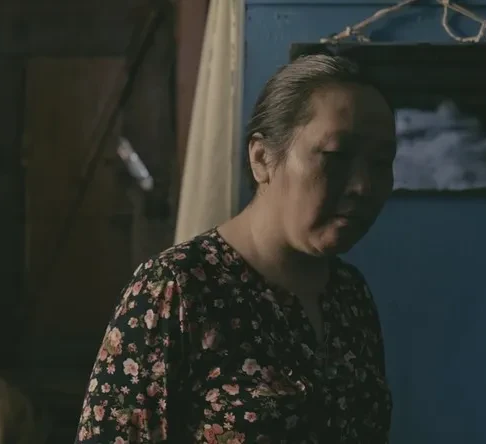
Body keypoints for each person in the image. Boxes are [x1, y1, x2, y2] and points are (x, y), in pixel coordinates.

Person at [75, 54, 397, 443]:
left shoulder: (349, 294)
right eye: (336, 156)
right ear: (262, 158)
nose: (363, 186)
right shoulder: (176, 288)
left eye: (382, 162)